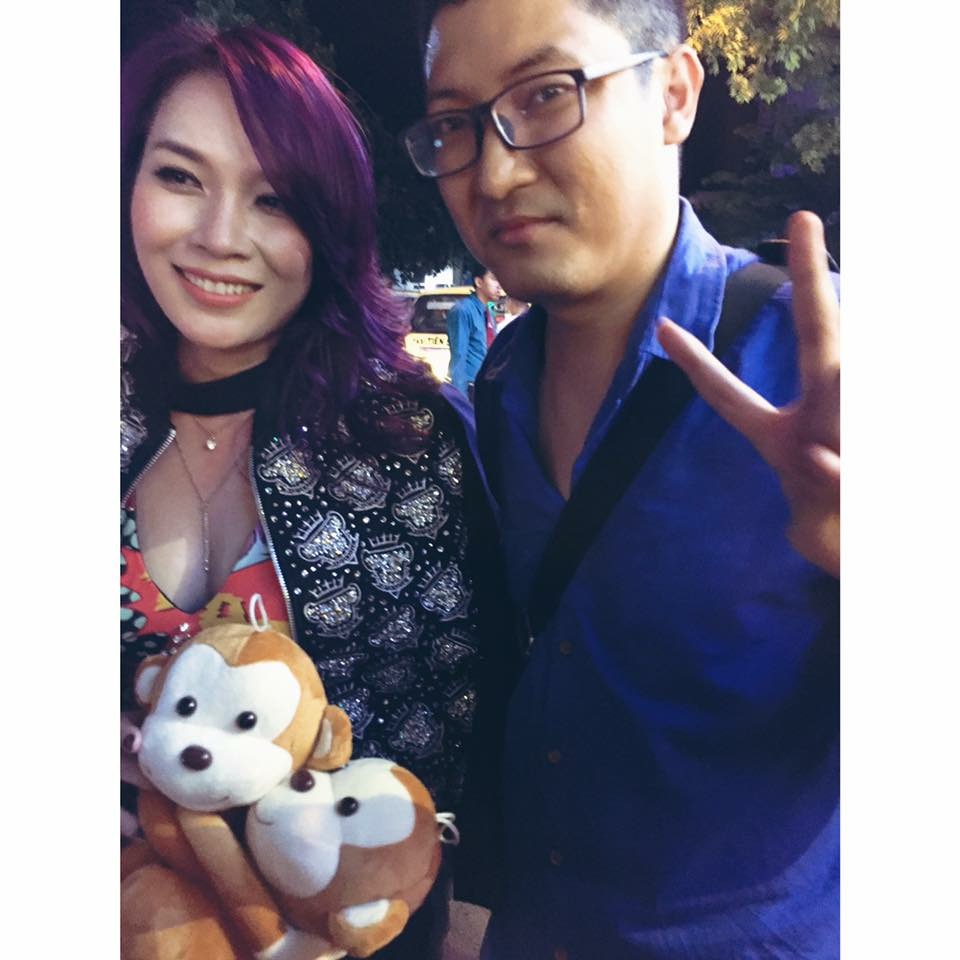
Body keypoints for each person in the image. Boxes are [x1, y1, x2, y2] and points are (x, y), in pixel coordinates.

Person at [403, 0, 840, 957]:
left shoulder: (824, 374)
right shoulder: (503, 379)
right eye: (454, 127)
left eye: (545, 95)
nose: (495, 173)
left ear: (674, 93)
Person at [120, 21, 518, 959]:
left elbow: (469, 728)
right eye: (180, 176)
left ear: (330, 228)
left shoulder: (411, 441)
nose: (220, 237)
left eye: (274, 200)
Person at [445, 260, 504, 396]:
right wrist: (460, 399)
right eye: (494, 279)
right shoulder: (463, 311)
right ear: (479, 282)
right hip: (471, 387)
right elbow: (459, 357)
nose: (499, 285)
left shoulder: (491, 310)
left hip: (487, 386)